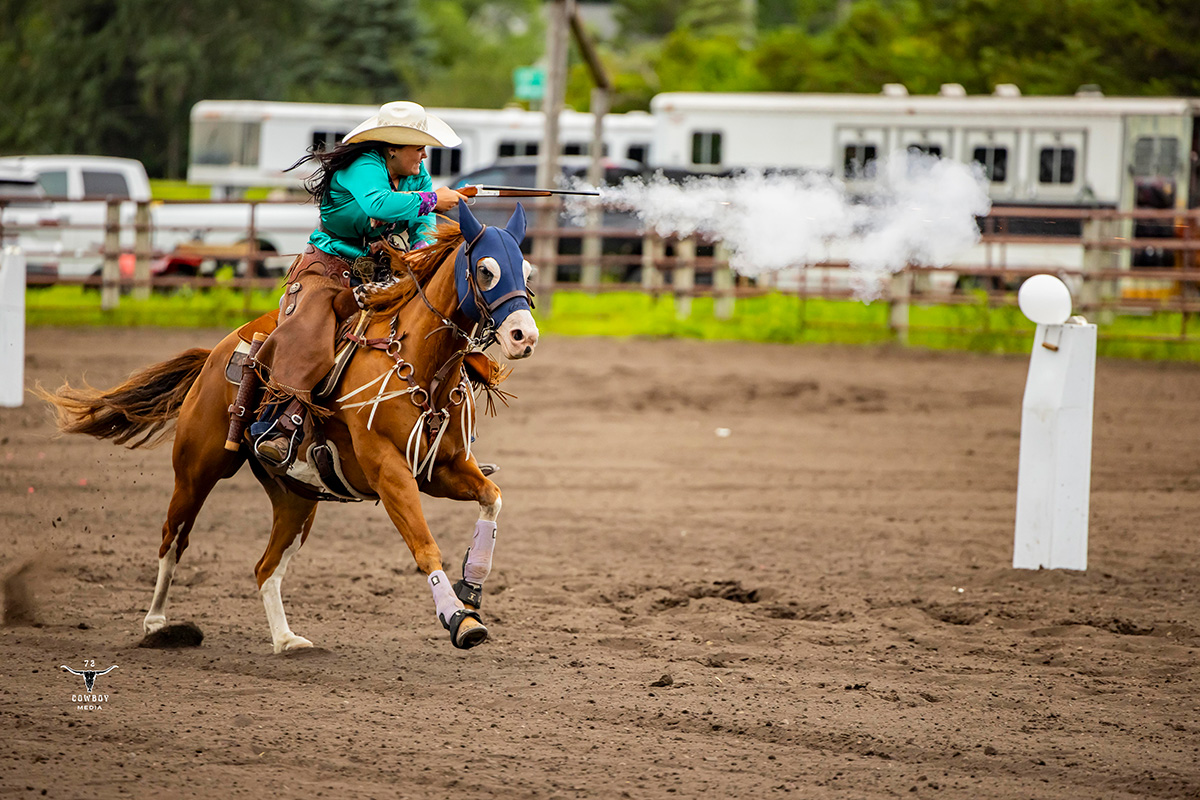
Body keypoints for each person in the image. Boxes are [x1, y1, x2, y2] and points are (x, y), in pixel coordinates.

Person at [252, 101, 466, 463]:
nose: (424, 155)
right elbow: (379, 205)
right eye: (418, 147)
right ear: (393, 147)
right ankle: (282, 423)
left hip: (379, 267)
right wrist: (433, 199)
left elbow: (422, 225)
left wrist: (422, 248)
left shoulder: (415, 175)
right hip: (329, 269)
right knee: (311, 329)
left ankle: (452, 424)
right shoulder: (363, 165)